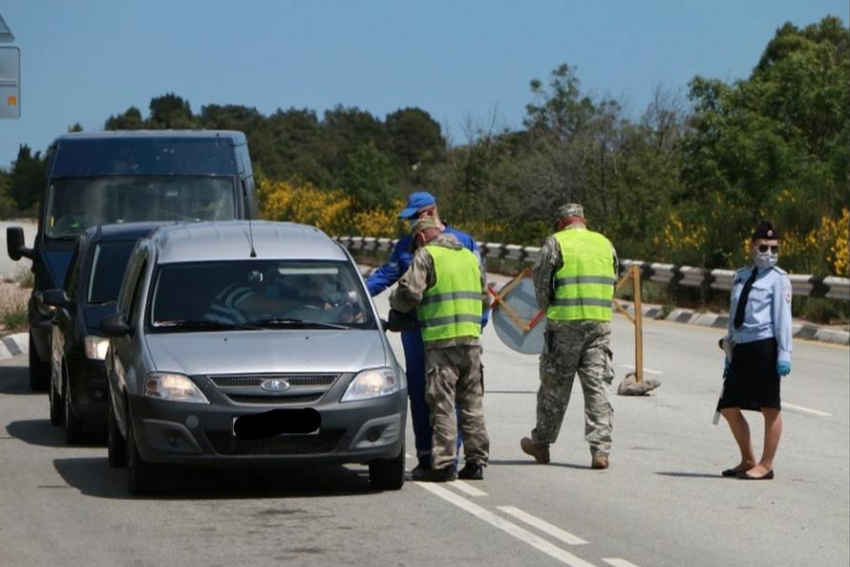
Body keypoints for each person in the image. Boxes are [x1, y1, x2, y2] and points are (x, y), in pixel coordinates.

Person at [367, 190, 488, 476]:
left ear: (431, 212)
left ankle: (447, 461)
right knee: (428, 398)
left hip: (441, 335)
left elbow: (479, 294)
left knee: (446, 400)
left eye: (416, 217)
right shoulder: (407, 245)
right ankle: (430, 457)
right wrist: (355, 294)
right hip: (422, 336)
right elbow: (387, 274)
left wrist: (479, 322)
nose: (411, 225)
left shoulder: (463, 243)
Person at [520, 203, 617, 470]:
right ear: (583, 220)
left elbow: (541, 289)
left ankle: (541, 443)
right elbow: (614, 282)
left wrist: (549, 307)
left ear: (561, 223)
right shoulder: (605, 244)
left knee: (555, 387)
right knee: (597, 385)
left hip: (565, 324)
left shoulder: (555, 243)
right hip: (598, 324)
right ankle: (600, 450)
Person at [717, 220, 792, 481]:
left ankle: (766, 464)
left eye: (774, 248)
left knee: (769, 407)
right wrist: (729, 349)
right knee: (728, 406)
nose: (769, 254)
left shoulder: (779, 280)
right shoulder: (742, 276)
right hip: (742, 347)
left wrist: (784, 353)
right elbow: (733, 315)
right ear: (752, 246)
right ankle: (748, 459)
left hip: (764, 346)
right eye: (764, 247)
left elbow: (783, 318)